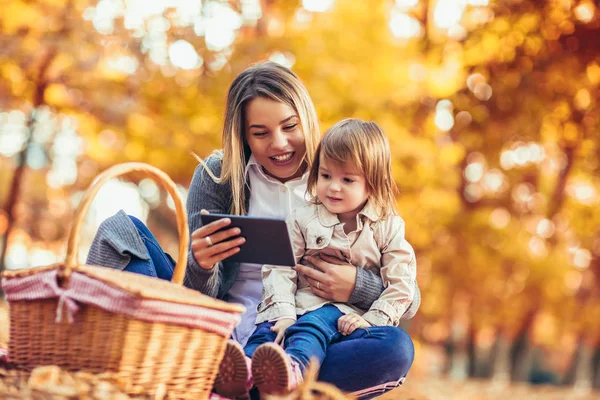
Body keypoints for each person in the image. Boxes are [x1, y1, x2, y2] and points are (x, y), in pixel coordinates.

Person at [86, 61, 418, 399]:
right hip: (219, 330)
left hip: (310, 332)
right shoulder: (218, 177)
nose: (279, 143)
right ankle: (230, 375)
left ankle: (260, 384)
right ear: (242, 135)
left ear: (307, 118)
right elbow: (192, 294)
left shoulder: (340, 171)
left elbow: (408, 295)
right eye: (260, 133)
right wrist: (200, 264)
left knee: (395, 349)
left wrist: (356, 286)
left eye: (290, 126)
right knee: (122, 232)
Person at [239, 118, 418, 396]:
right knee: (266, 332)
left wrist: (371, 320)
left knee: (316, 328)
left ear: (372, 183)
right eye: (325, 176)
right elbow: (279, 267)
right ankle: (243, 374)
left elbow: (403, 285)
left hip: (345, 318)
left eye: (347, 180)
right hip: (296, 307)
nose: (333, 187)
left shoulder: (388, 226)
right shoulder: (302, 217)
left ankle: (294, 371)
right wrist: (284, 314)